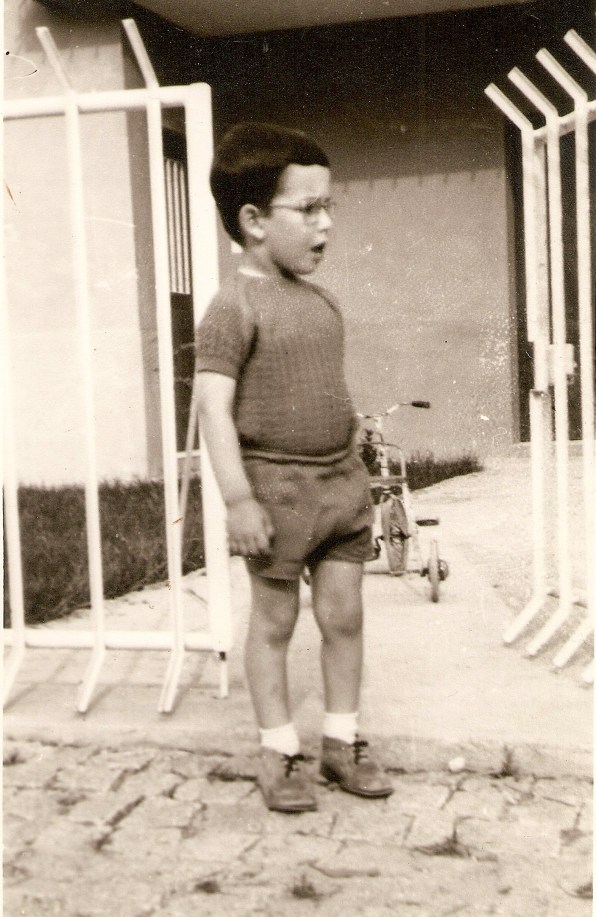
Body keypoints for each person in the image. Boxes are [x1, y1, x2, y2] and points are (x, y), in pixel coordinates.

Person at [194, 121, 393, 812]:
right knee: (275, 622)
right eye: (308, 209)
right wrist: (238, 500)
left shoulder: (321, 300)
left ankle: (341, 740)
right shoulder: (233, 308)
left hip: (340, 485)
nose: (325, 224)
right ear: (254, 221)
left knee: (345, 615)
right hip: (276, 492)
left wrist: (351, 429)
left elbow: (317, 383)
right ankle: (279, 750)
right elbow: (213, 408)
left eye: (328, 206)